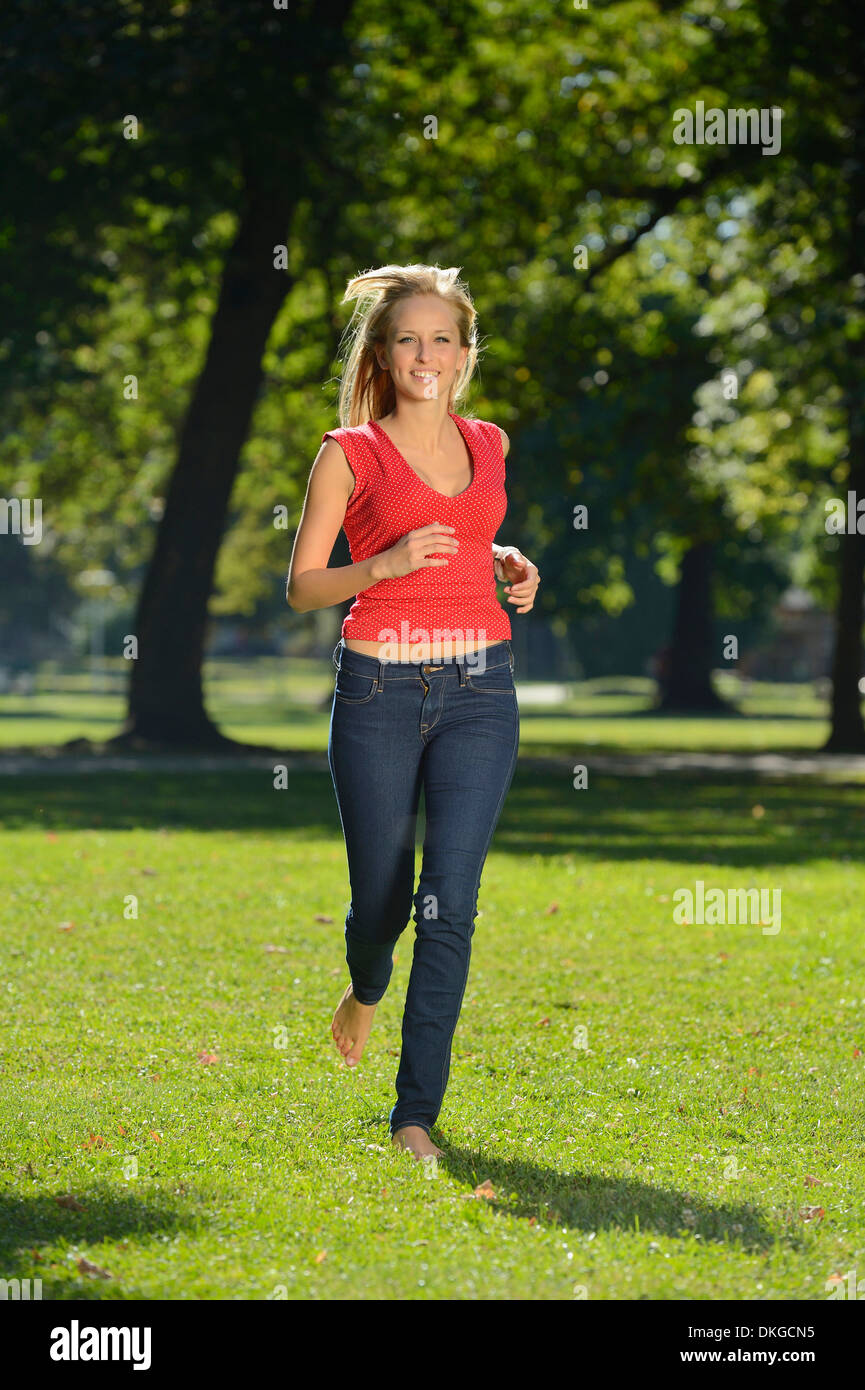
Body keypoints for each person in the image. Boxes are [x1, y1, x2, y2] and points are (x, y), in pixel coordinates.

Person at [287, 263, 540, 1160]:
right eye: (407, 339)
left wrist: (507, 561)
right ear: (383, 355)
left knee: (451, 902)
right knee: (382, 900)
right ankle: (364, 983)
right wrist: (384, 565)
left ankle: (413, 1117)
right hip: (378, 692)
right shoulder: (347, 453)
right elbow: (304, 585)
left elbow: (465, 534)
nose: (424, 354)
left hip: (481, 691)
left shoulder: (491, 442)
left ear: (464, 354)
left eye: (441, 339)